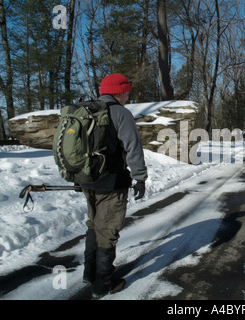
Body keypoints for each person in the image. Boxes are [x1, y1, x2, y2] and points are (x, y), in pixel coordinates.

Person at [80, 73, 148, 299]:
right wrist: (140, 178)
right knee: (107, 231)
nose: (128, 97)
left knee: (93, 225)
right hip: (112, 184)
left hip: (88, 180)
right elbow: (133, 148)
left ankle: (90, 273)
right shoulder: (121, 113)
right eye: (127, 92)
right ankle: (103, 284)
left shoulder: (87, 111)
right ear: (119, 92)